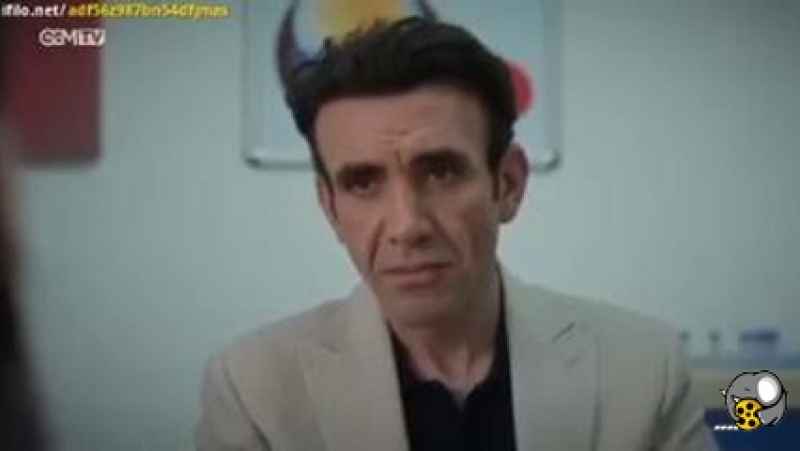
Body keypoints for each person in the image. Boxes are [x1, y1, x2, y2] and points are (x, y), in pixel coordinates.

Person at [196, 17, 717, 451]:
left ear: (507, 184)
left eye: (441, 172)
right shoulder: (253, 390)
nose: (408, 226)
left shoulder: (644, 370)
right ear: (330, 207)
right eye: (363, 182)